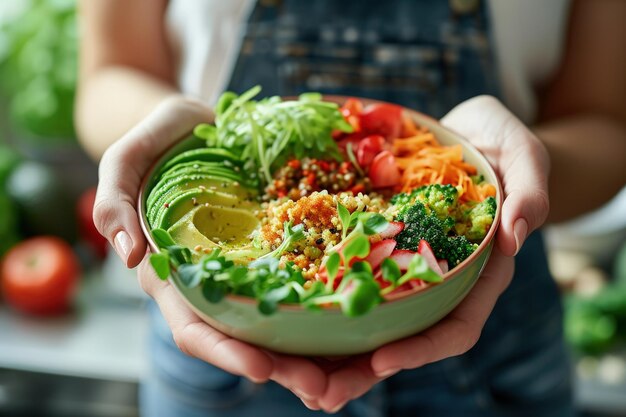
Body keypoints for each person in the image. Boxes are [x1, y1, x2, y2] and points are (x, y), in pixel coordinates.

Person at [76, 0, 626, 415]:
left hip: (498, 336)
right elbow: (108, 74)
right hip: (224, 350)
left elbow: (606, 123)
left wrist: (518, 170)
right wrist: (162, 142)